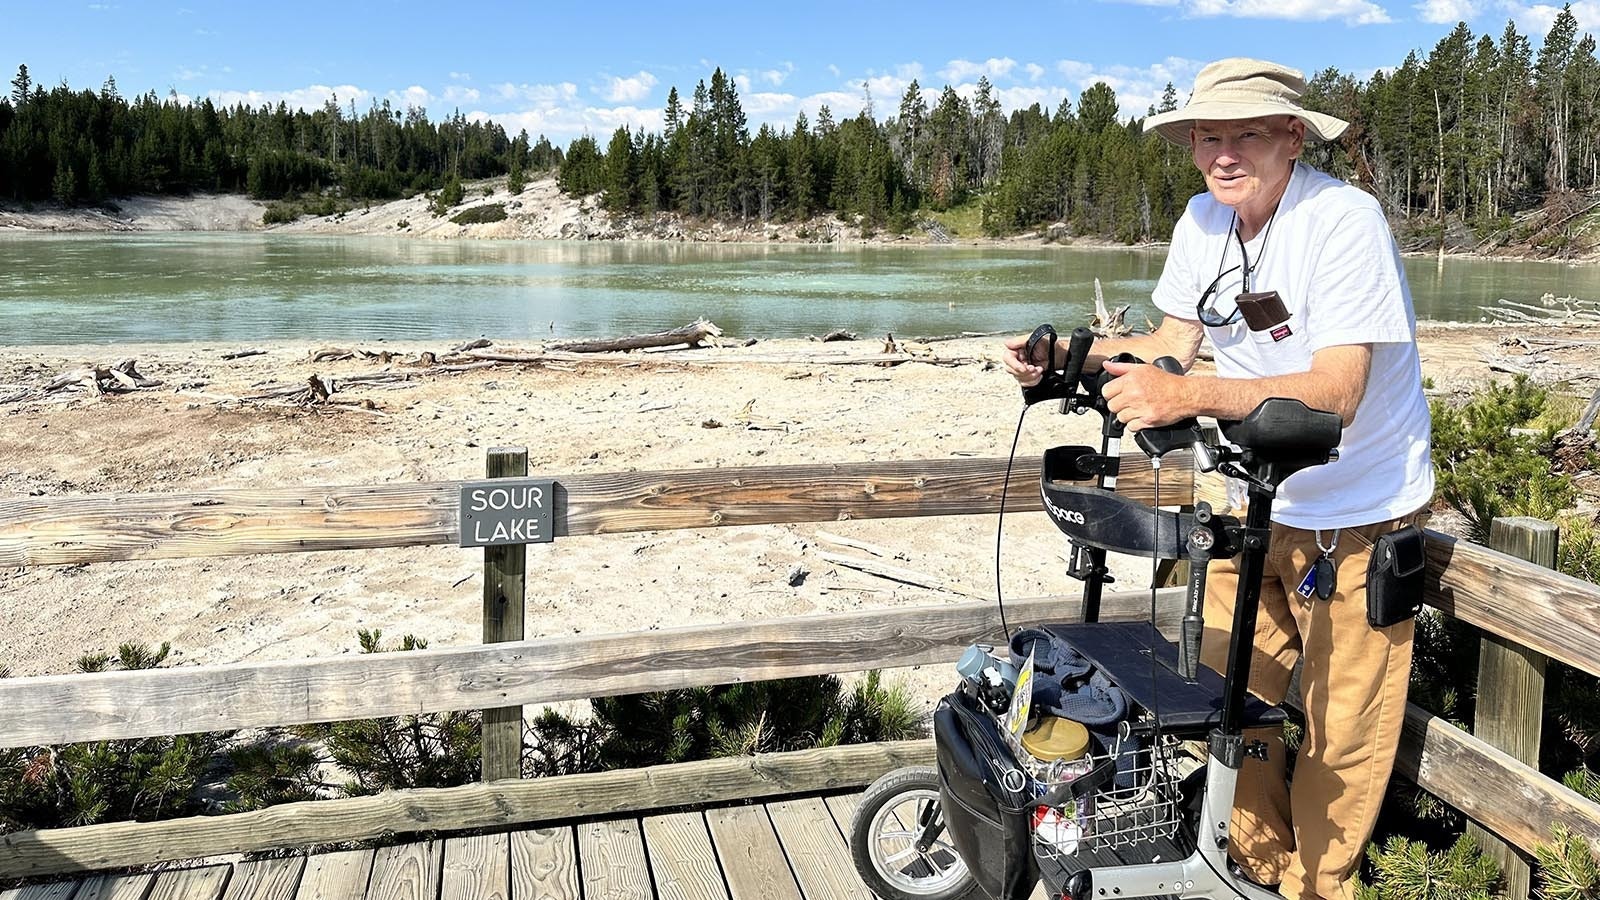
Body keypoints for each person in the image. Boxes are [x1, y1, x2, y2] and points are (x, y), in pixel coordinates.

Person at [1002, 58, 1434, 900]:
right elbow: (1168, 347)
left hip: (1357, 514)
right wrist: (1062, 359)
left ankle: (1320, 888)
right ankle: (1255, 870)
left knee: (1343, 730)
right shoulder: (1204, 220)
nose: (1222, 153)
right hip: (1247, 501)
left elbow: (1336, 392)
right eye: (1208, 135)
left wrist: (1186, 393)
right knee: (1234, 703)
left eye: (1245, 133)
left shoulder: (1345, 221)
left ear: (1293, 137)